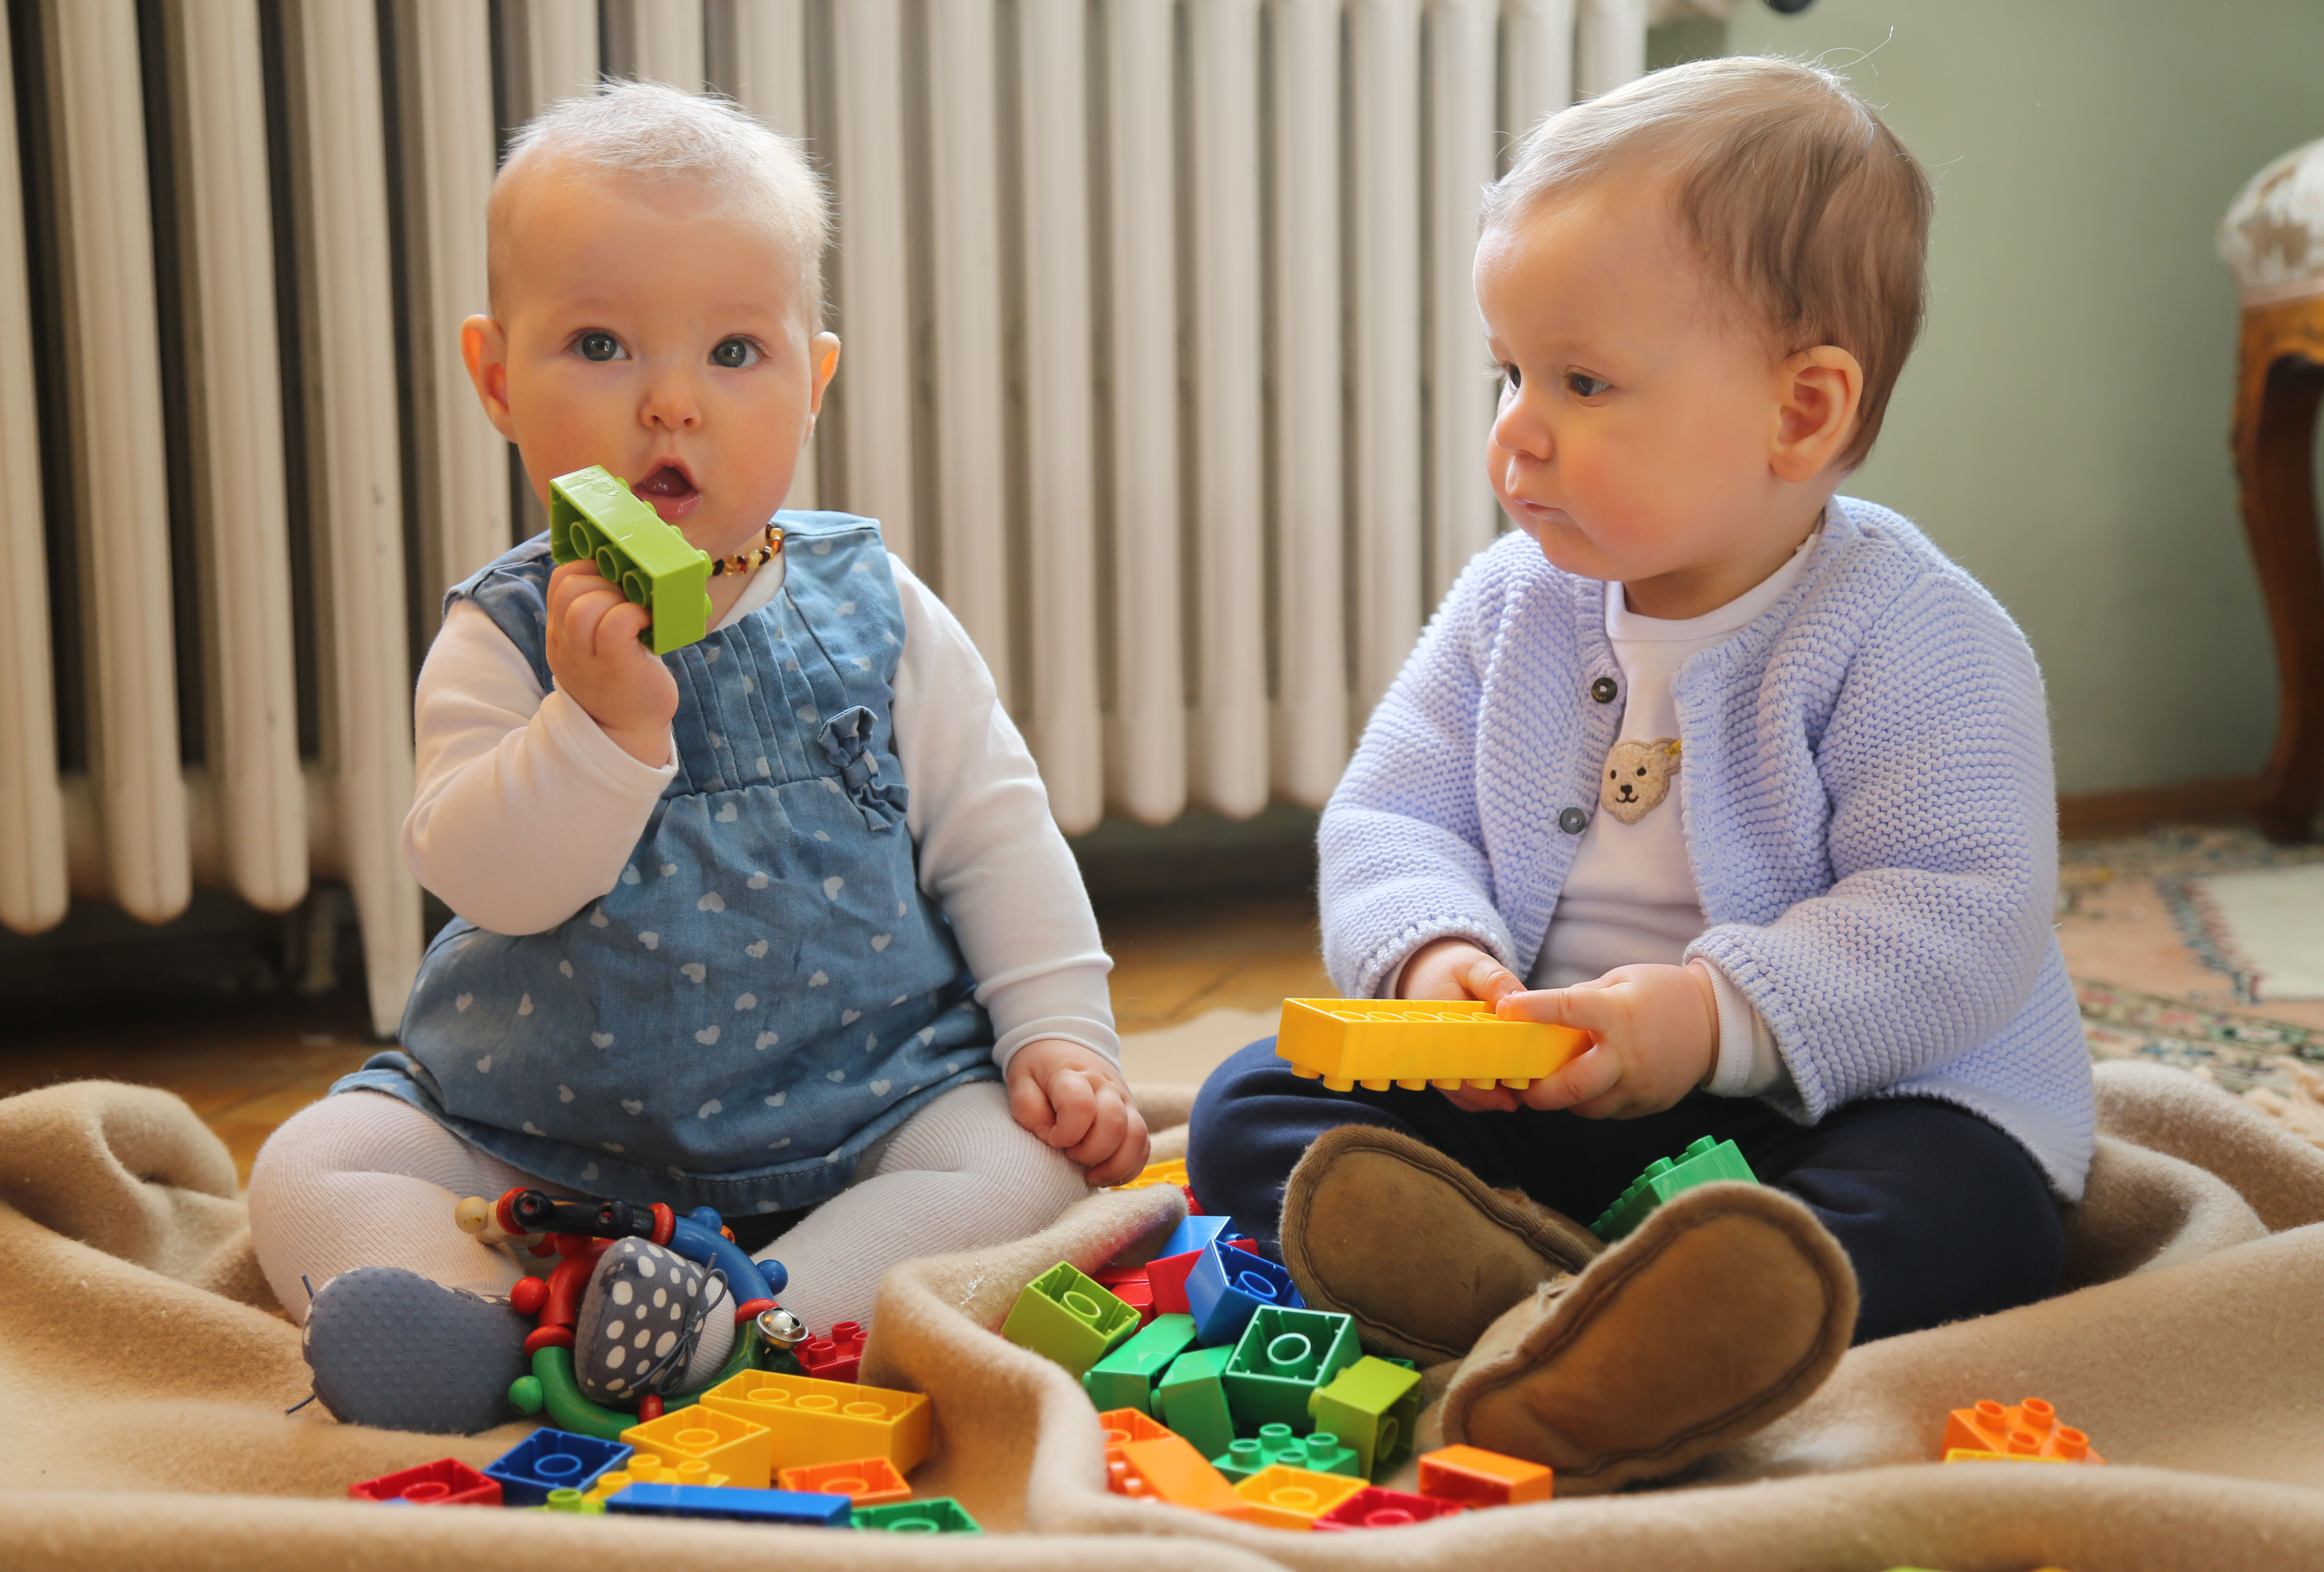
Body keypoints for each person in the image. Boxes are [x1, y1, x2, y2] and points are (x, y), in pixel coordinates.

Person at [1190, 56, 2092, 1493]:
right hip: (1544, 1101)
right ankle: (1539, 1298)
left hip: (1831, 1113)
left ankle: (1672, 1316)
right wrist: (1433, 960)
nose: (1516, 429)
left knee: (1973, 1208)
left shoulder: (1916, 634)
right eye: (1510, 373)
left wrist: (1715, 1018)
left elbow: (1960, 915)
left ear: (1803, 412)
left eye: (1584, 382)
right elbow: (1394, 812)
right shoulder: (1509, 604)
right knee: (1251, 1104)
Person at [246, 81, 1145, 1431]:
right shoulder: (503, 633)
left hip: (859, 1112)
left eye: (733, 352)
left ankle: (736, 1324)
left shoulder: (878, 610)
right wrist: (597, 730)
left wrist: (1061, 1038)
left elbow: (999, 837)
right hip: (531, 1128)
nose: (672, 404)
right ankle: (473, 1324)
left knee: (1015, 1169)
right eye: (600, 345)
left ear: (812, 384)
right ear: (498, 378)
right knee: (318, 1160)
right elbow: (488, 881)